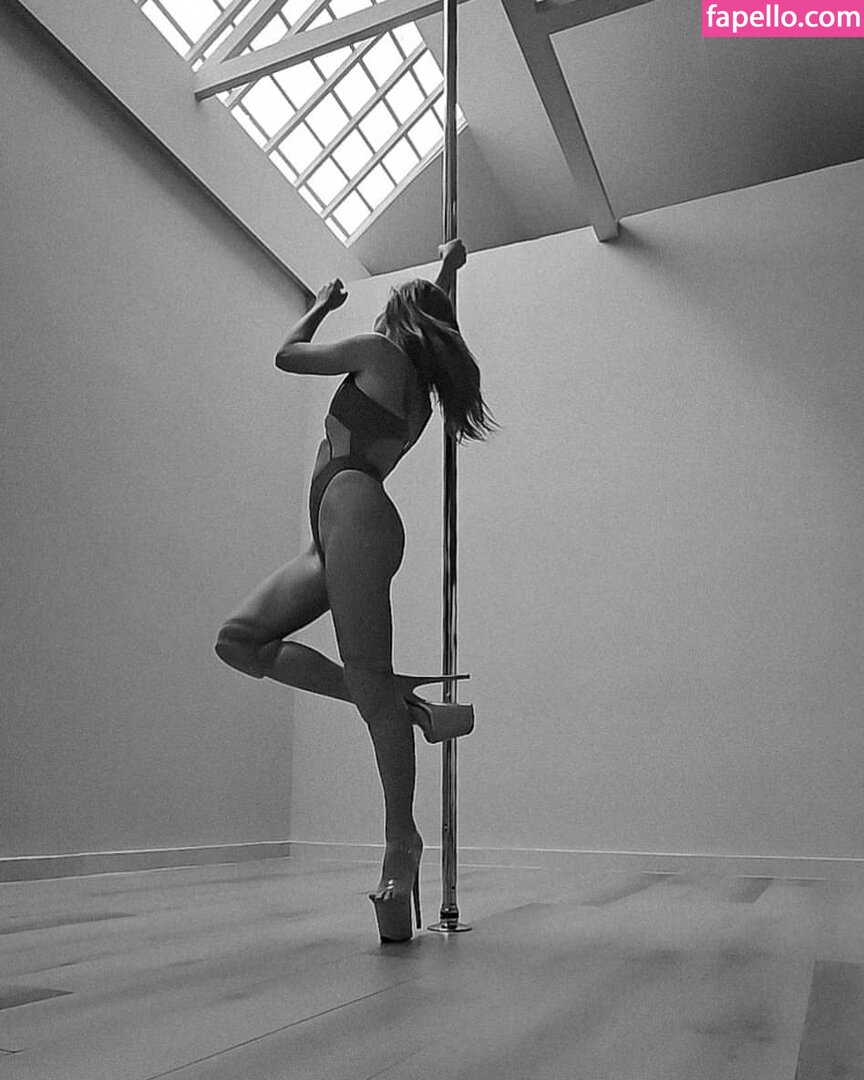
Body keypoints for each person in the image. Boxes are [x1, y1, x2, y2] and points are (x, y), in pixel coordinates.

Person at [215, 239, 494, 942]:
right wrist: (449, 269)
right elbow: (437, 313)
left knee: (368, 683)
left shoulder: (377, 352)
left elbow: (287, 355)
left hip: (354, 514)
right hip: (332, 531)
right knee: (241, 641)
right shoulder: (419, 394)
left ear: (399, 319)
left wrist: (318, 306)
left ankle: (402, 841)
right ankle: (402, 702)